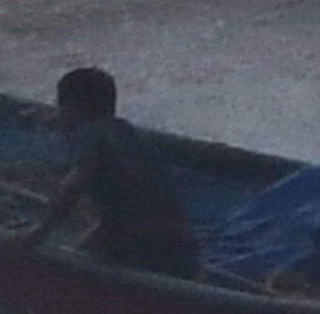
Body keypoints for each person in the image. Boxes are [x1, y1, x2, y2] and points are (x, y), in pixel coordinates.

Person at [27, 65, 201, 277]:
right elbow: (124, 215)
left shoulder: (88, 132)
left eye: (58, 106)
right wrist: (76, 250)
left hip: (139, 250)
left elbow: (76, 182)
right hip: (186, 252)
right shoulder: (132, 137)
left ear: (70, 109)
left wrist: (39, 233)